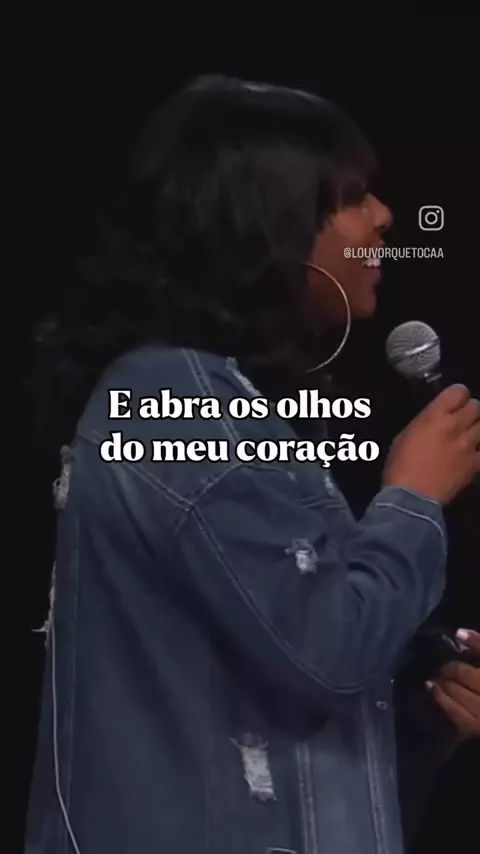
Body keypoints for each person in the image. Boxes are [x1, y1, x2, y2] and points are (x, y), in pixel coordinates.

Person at [25, 76, 480, 854]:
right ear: (265, 220)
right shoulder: (175, 397)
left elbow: (284, 735)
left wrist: (419, 715)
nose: (384, 218)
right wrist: (413, 498)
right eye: (352, 197)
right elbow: (328, 655)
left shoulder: (215, 399)